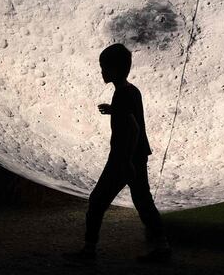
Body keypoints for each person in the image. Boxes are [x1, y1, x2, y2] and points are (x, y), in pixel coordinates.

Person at [71, 43, 171, 263]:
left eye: (104, 67)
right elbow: (130, 115)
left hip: (123, 158)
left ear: (114, 69)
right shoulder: (131, 91)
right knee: (143, 201)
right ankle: (163, 248)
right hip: (136, 157)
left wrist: (125, 161)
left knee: (97, 200)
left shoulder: (123, 95)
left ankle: (89, 250)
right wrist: (113, 110)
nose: (102, 72)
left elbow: (133, 128)